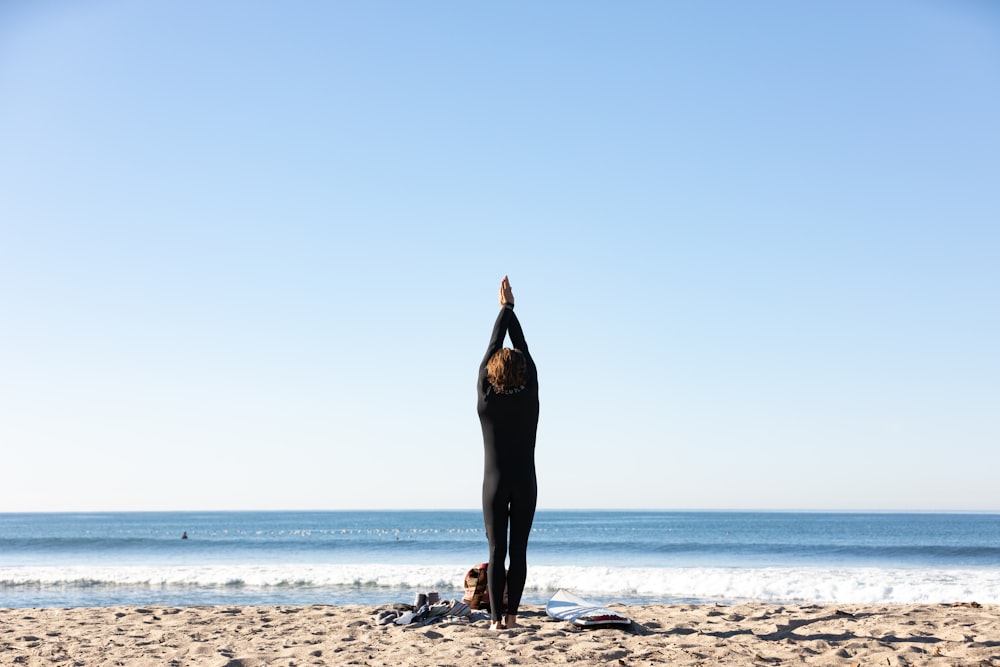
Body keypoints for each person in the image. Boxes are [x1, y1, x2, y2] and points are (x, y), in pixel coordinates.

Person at [477, 275, 539, 631]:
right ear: (524, 372)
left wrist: (504, 308)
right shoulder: (530, 394)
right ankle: (513, 616)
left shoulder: (486, 398)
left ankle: (496, 621)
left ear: (490, 372)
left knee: (496, 552)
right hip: (526, 482)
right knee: (519, 552)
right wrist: (511, 308)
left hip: (493, 484)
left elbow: (493, 344)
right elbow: (522, 346)